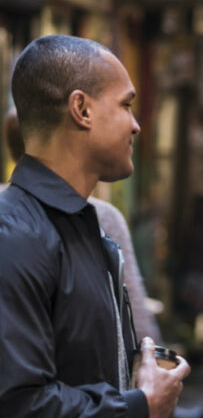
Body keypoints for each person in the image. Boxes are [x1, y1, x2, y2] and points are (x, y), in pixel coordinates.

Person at [0, 35, 190, 418]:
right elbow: (18, 410)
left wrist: (145, 380)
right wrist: (140, 404)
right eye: (127, 105)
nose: (137, 123)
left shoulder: (90, 230)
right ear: (81, 110)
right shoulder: (16, 235)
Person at [2, 109, 162, 343]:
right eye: (124, 105)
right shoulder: (102, 216)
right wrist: (150, 369)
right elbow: (139, 324)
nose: (134, 126)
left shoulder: (9, 209)